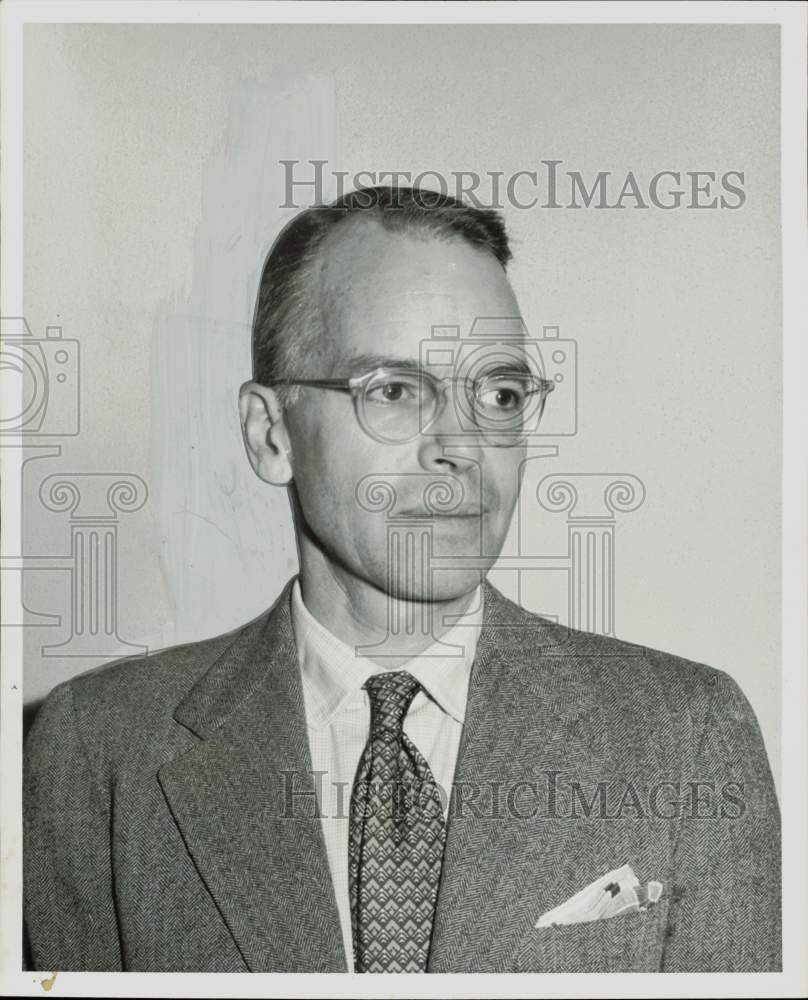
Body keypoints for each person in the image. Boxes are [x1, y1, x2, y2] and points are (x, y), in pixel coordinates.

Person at [23, 186, 780, 973]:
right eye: (393, 390)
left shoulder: (684, 736)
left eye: (499, 394)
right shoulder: (98, 749)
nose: (461, 445)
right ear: (271, 434)